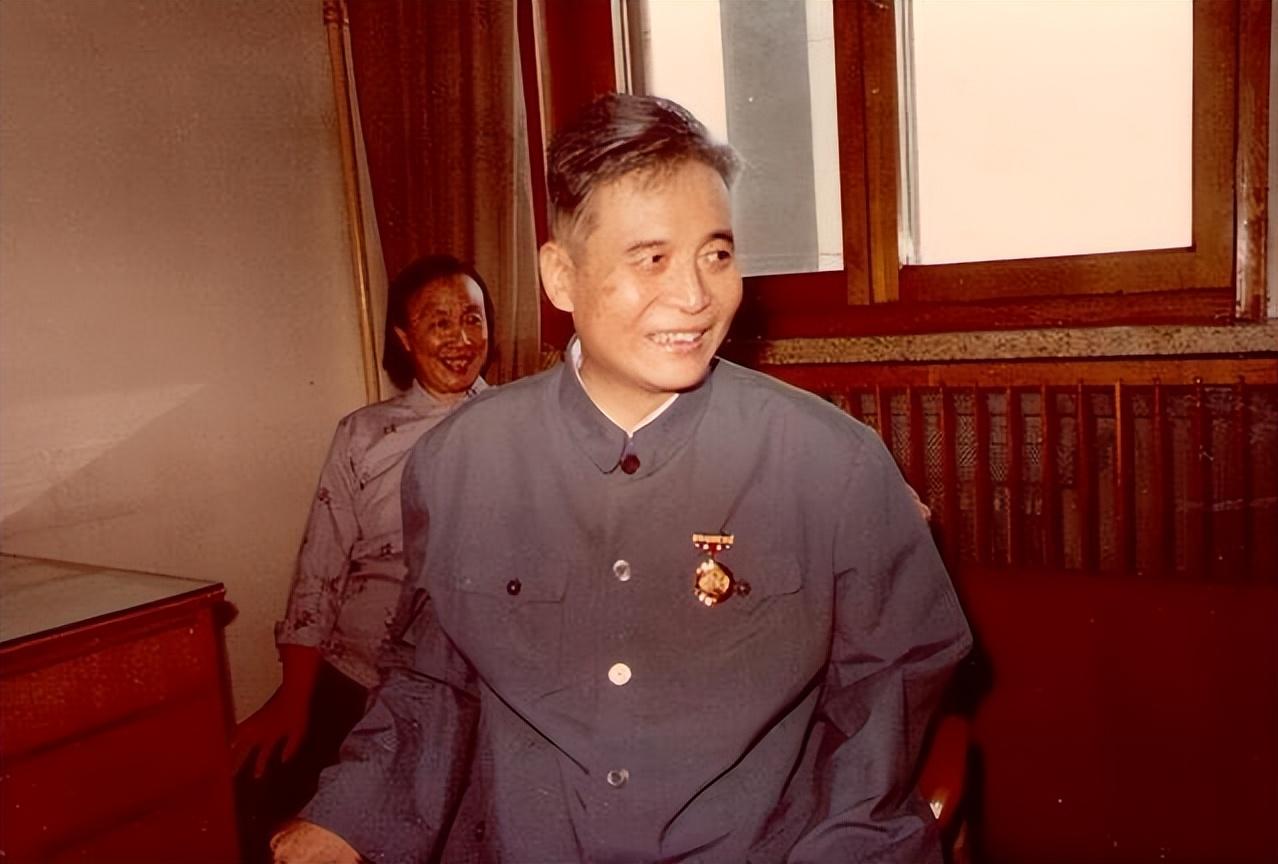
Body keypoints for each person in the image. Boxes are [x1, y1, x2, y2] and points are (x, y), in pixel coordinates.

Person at [273, 94, 971, 864]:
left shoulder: (833, 465)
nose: (696, 297)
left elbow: (884, 717)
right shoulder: (459, 465)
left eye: (716, 254)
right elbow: (434, 678)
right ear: (561, 276)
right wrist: (346, 817)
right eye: (652, 258)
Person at [231, 254, 493, 862]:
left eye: (472, 318)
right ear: (404, 337)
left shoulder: (519, 423)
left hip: (456, 682)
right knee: (253, 792)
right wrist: (293, 696)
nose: (460, 338)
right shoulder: (363, 433)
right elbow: (319, 568)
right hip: (355, 669)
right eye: (438, 322)